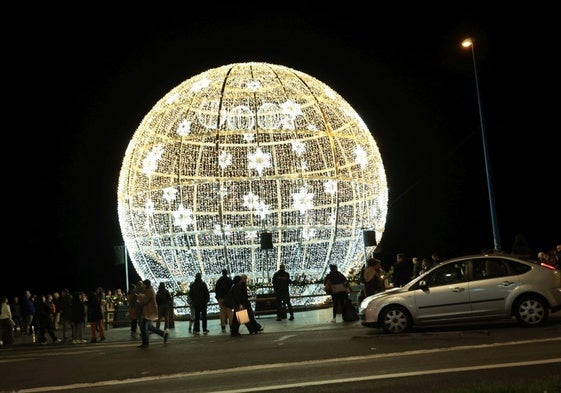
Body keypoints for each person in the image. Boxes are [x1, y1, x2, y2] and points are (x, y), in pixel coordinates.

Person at [136, 279, 169, 348]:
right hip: (149, 311)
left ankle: (145, 343)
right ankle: (163, 334)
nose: (143, 286)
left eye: (143, 284)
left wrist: (139, 298)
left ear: (146, 284)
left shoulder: (149, 291)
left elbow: (145, 300)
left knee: (143, 327)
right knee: (150, 327)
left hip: (149, 312)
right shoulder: (149, 290)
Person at [214, 269, 233, 333]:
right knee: (229, 313)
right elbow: (232, 290)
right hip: (228, 299)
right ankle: (231, 326)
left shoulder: (219, 281)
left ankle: (223, 327)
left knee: (222, 312)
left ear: (222, 273)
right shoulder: (229, 280)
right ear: (226, 273)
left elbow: (216, 290)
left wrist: (218, 298)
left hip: (221, 298)